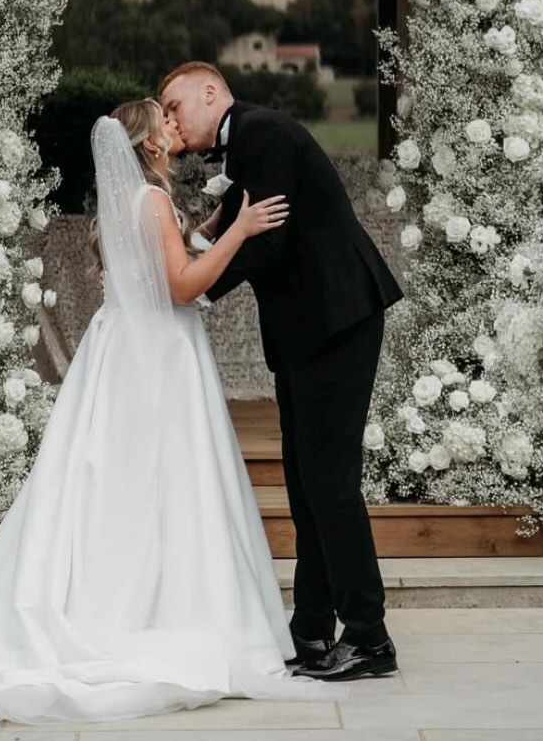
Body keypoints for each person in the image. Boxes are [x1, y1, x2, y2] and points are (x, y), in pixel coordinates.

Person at [0, 100, 332, 725]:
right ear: (149, 146)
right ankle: (166, 609)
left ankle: (121, 597)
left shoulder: (137, 202)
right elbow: (182, 286)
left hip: (122, 348)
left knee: (116, 481)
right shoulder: (152, 203)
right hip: (159, 352)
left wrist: (221, 220)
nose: (174, 124)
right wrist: (243, 233)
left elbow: (170, 254)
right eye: (164, 120)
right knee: (165, 481)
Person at [159, 62, 404, 683]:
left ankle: (370, 638)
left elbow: (267, 241)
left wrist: (194, 292)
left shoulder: (260, 134)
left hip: (337, 320)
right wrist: (204, 244)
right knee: (305, 479)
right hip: (309, 330)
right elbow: (242, 231)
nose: (170, 121)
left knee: (329, 479)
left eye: (174, 105)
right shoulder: (245, 144)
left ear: (210, 93)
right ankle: (313, 632)